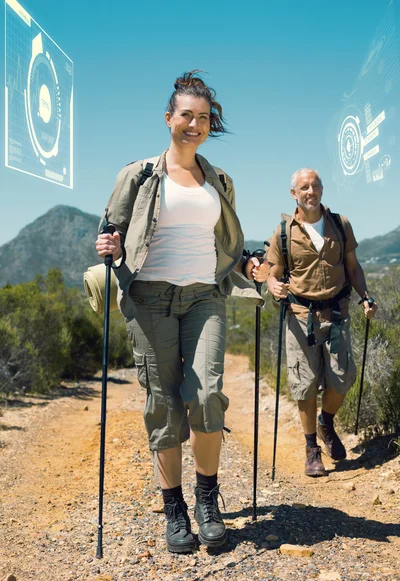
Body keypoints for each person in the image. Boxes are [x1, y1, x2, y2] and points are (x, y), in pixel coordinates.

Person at [95, 71, 265, 553]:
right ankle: (175, 510)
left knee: (208, 395)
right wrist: (106, 244)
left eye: (203, 117)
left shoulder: (220, 180)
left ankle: (207, 498)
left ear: (210, 124)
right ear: (168, 118)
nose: (194, 124)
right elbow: (111, 230)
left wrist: (248, 262)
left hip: (204, 298)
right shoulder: (138, 174)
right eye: (185, 115)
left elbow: (226, 242)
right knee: (164, 406)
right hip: (148, 298)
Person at [266, 168, 377, 477]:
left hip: (338, 313)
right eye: (304, 187)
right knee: (304, 385)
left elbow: (353, 268)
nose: (310, 191)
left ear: (322, 189)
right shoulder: (283, 233)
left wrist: (365, 296)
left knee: (343, 379)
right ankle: (312, 447)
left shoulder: (340, 225)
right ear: (294, 194)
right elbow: (272, 273)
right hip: (301, 318)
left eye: (315, 185)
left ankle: (326, 422)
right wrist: (273, 286)